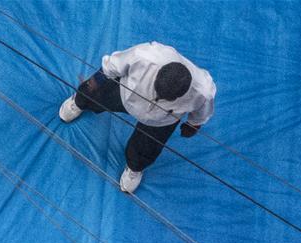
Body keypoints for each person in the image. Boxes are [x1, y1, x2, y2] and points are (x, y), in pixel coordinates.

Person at [58, 41, 216, 193]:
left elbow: (201, 114)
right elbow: (111, 65)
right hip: (127, 95)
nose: (157, 98)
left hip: (162, 120)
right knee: (93, 93)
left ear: (181, 95)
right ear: (157, 75)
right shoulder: (145, 55)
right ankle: (78, 102)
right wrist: (94, 82)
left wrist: (193, 124)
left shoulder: (203, 91)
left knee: (147, 147)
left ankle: (135, 167)